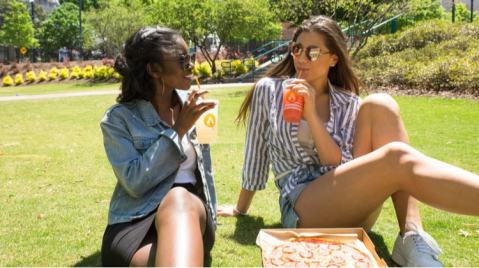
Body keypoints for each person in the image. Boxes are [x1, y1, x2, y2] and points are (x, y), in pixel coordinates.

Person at [218, 15, 479, 267]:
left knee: (381, 104)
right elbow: (256, 152)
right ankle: (412, 238)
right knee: (397, 157)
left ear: (333, 58)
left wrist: (311, 113)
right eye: (297, 49)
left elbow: (338, 162)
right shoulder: (271, 90)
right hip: (304, 207)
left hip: (351, 204)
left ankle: (411, 235)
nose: (301, 57)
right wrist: (241, 208)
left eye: (312, 51)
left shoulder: (347, 102)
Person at [100, 26, 217, 267]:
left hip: (190, 214)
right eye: (182, 60)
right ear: (154, 69)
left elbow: (206, 173)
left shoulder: (193, 106)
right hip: (135, 219)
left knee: (179, 198)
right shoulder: (118, 120)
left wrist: (212, 216)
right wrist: (178, 130)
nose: (191, 66)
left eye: (191, 57)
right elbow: (134, 182)